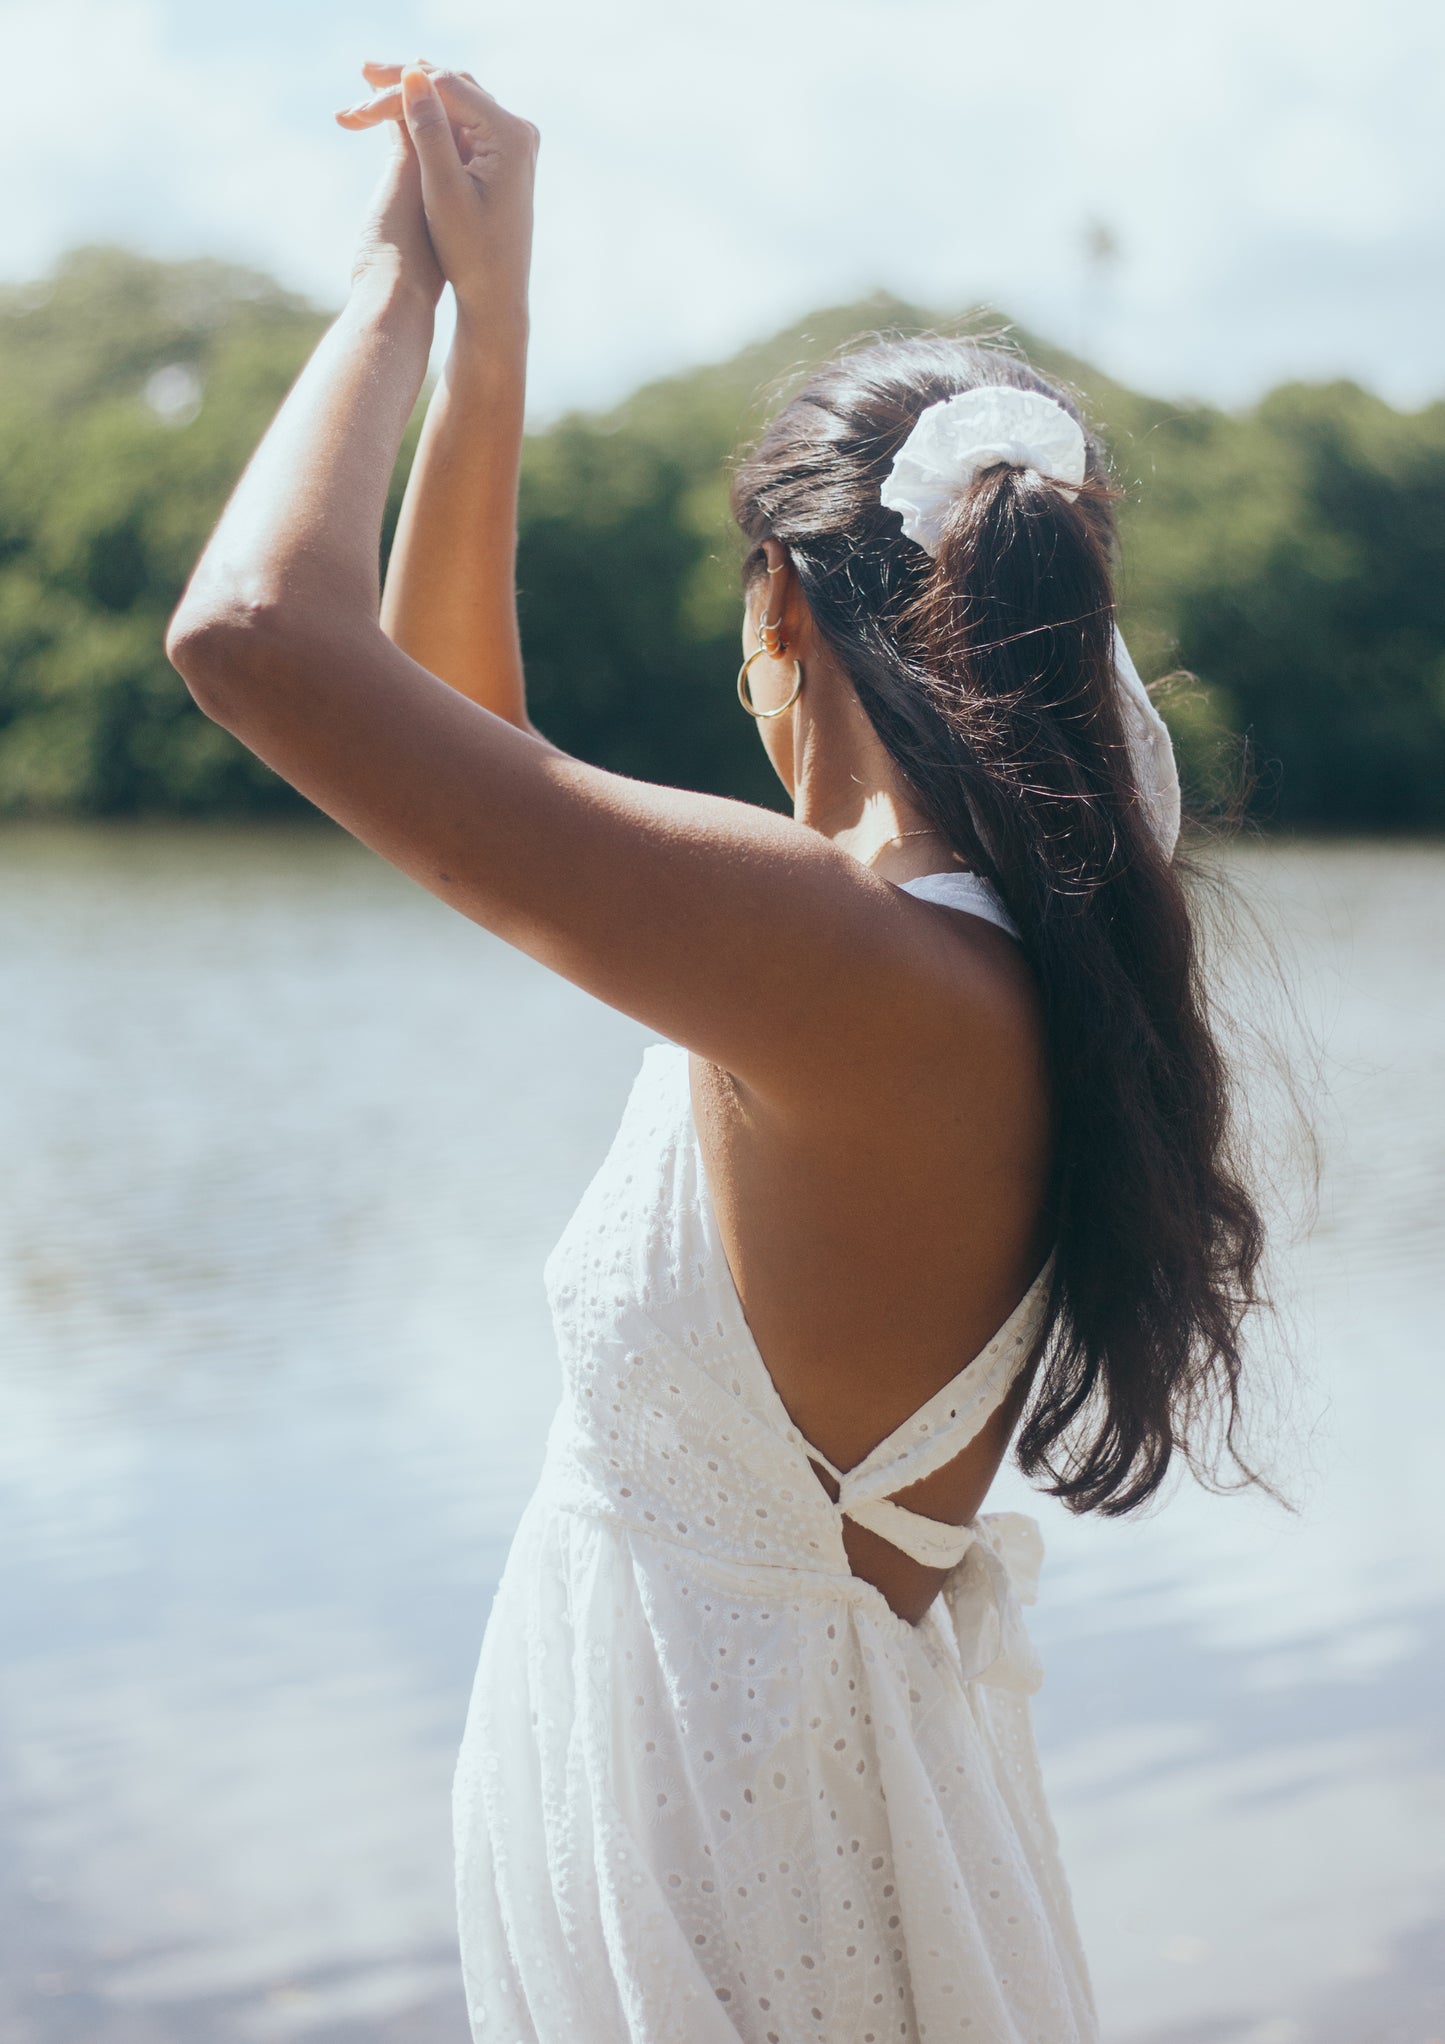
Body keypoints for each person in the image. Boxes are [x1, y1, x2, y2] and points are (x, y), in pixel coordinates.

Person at [167, 59, 1266, 2044]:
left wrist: (395, 286)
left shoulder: (846, 961)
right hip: (796, 1821)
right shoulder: (982, 943)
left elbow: (256, 632)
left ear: (781, 605)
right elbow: (457, 736)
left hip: (741, 1879)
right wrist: (500, 329)